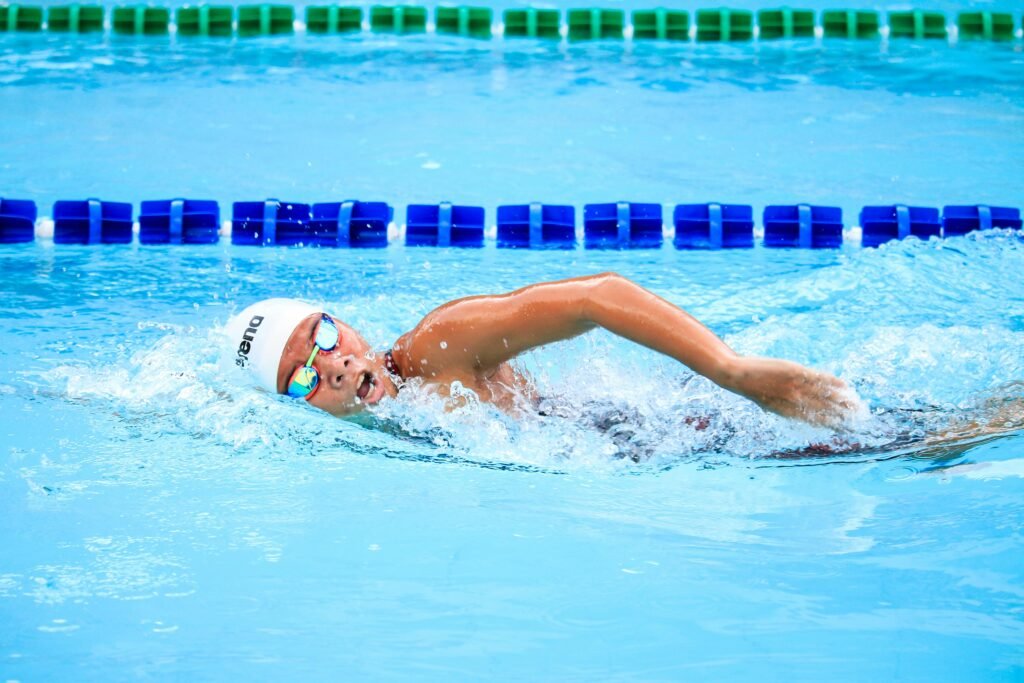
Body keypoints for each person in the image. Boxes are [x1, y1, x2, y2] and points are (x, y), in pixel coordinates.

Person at [225, 272, 862, 429]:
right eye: (302, 375)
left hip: (658, 434)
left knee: (895, 439)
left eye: (326, 339)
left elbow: (598, 296)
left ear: (351, 331)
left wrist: (735, 373)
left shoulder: (436, 347)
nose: (332, 365)